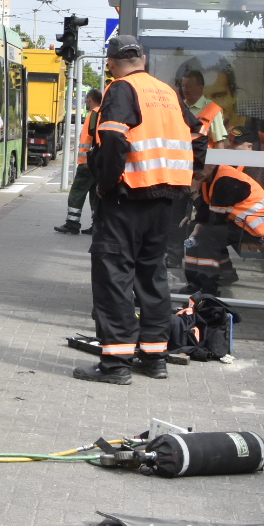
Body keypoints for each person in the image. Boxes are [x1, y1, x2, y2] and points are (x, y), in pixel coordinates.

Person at [75, 35, 206, 384]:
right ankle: (154, 357)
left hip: (127, 197)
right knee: (152, 277)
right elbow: (199, 135)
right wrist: (189, 179)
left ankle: (115, 364)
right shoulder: (167, 92)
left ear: (112, 62)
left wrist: (106, 182)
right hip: (165, 200)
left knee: (114, 277)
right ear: (143, 58)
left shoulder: (121, 89)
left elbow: (114, 137)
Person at [181, 133, 264, 296]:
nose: (195, 172)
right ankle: (195, 282)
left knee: (209, 234)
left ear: (211, 165)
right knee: (195, 229)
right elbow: (207, 211)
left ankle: (208, 286)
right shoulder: (210, 178)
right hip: (243, 223)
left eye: (199, 166)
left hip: (258, 229)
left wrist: (194, 197)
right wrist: (196, 222)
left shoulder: (226, 180)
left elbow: (215, 219)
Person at [55, 88, 103, 235]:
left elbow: (92, 138)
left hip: (88, 163)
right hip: (97, 163)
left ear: (89, 99)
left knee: (77, 193)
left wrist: (87, 160)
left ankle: (72, 224)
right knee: (96, 196)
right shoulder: (103, 113)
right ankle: (97, 225)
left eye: (86, 100)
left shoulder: (94, 114)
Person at [178, 67, 228, 148]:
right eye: (183, 86)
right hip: (182, 157)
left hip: (203, 158)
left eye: (188, 86)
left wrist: (219, 160)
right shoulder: (178, 106)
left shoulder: (213, 110)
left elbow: (219, 143)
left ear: (200, 88)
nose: (185, 89)